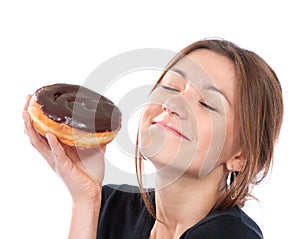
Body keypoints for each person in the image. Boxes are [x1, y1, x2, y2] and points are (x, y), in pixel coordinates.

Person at [23, 38, 283, 239]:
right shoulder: (112, 205)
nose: (171, 103)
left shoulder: (230, 235)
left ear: (241, 156)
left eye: (206, 103)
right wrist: (86, 201)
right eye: (170, 87)